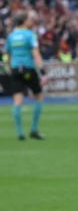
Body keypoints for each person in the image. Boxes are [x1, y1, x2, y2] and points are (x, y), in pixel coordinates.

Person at [5, 12, 46, 140]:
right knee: (38, 96)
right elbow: (36, 54)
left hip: (15, 69)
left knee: (17, 101)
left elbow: (7, 55)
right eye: (30, 19)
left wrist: (9, 68)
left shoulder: (11, 36)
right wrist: (43, 73)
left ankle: (20, 132)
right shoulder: (30, 35)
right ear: (23, 21)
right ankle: (34, 129)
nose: (32, 21)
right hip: (28, 68)